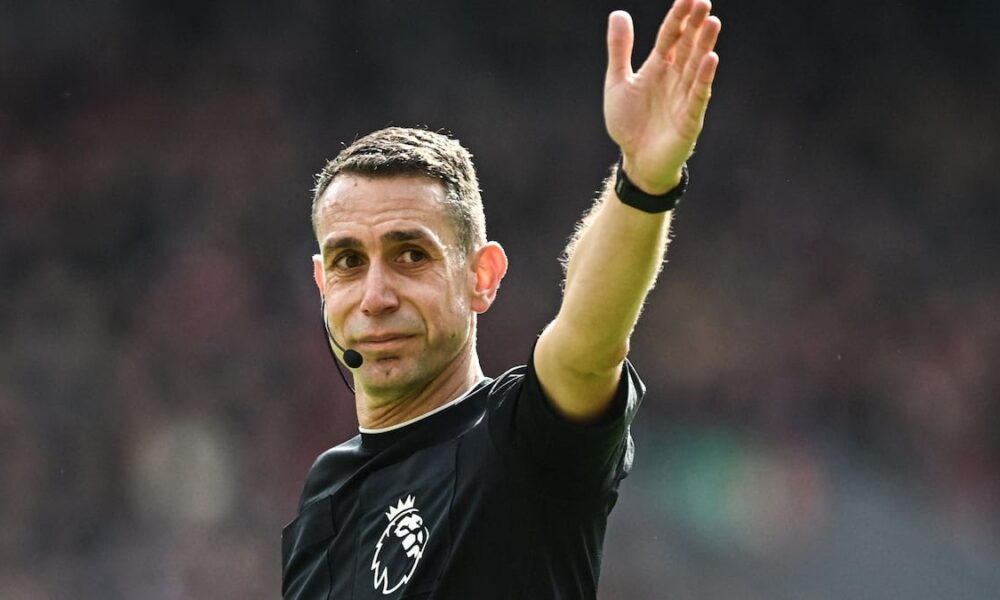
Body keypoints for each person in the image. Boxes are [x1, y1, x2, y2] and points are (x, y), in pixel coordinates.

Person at [281, 0, 721, 597]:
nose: (376, 295)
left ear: (482, 277)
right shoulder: (324, 498)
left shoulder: (521, 439)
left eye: (411, 255)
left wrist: (642, 184)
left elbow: (588, 343)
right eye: (349, 262)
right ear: (322, 284)